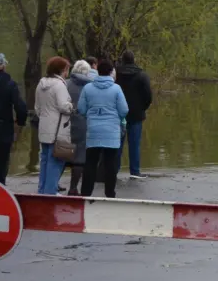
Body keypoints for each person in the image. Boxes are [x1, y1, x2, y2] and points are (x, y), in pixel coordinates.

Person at [78, 59, 130, 198]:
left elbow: (81, 109)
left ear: (97, 71)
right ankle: (110, 193)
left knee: (90, 163)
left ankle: (86, 193)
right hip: (111, 132)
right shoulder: (116, 89)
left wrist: (92, 115)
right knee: (110, 164)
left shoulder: (88, 88)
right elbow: (124, 110)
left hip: (93, 130)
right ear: (110, 72)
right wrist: (115, 118)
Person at [35, 56, 73, 195]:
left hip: (44, 128)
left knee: (44, 161)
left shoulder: (41, 84)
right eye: (67, 69)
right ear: (63, 70)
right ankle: (50, 192)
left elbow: (37, 108)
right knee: (56, 162)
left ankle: (42, 190)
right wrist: (71, 105)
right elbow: (63, 106)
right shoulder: (59, 85)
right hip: (58, 130)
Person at [114, 50, 152, 180]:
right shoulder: (142, 75)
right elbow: (148, 96)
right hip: (136, 114)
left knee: (117, 144)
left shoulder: (116, 75)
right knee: (134, 144)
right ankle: (135, 171)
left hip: (118, 114)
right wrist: (142, 108)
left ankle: (114, 170)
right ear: (134, 59)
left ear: (122, 60)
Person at [65, 60, 95, 196]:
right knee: (79, 159)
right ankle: (73, 188)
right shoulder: (90, 87)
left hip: (66, 124)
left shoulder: (65, 84)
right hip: (83, 125)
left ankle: (52, 185)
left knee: (62, 155)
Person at [0, 52, 28, 185]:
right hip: (3, 128)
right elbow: (20, 107)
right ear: (3, 66)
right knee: (2, 162)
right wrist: (20, 121)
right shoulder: (10, 84)